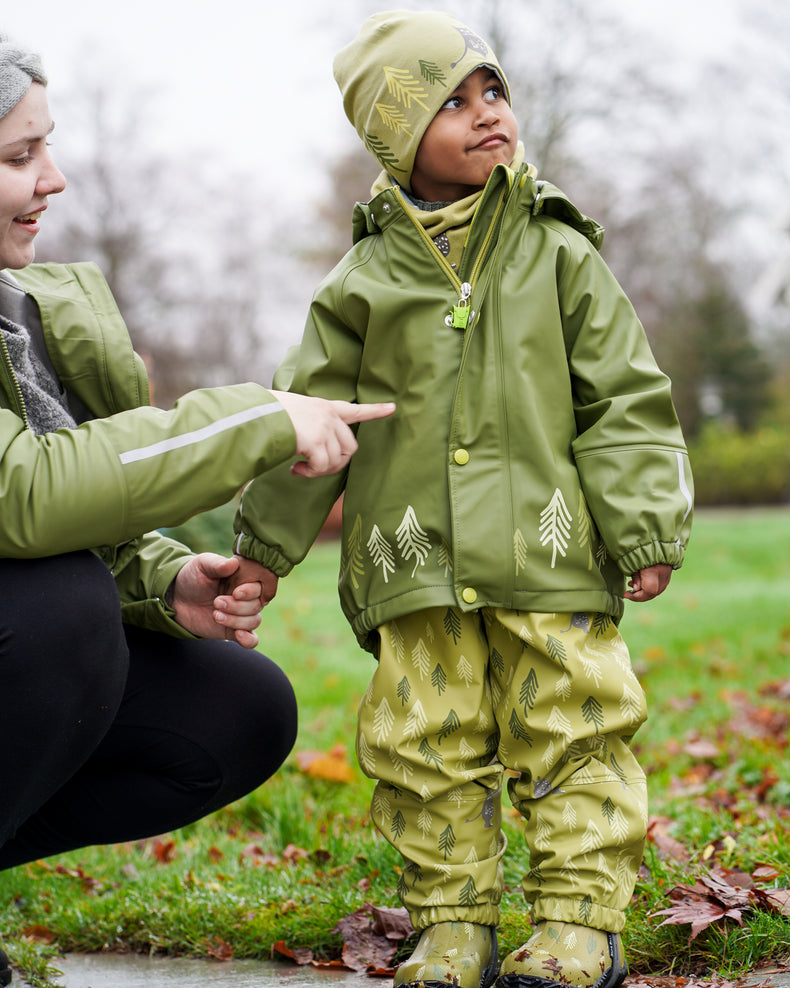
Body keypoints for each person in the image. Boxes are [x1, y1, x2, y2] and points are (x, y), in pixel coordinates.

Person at [229, 11, 694, 988]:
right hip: (414, 564)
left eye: (494, 91)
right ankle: (452, 925)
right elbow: (304, 425)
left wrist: (643, 524)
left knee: (573, 727)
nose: (487, 115)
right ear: (397, 135)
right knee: (423, 745)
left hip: (548, 557)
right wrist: (261, 554)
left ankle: (576, 920)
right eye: (452, 100)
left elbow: (624, 396)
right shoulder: (361, 282)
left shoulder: (559, 251)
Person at [0, 37, 395, 988]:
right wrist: (262, 416)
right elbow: (24, 498)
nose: (53, 180)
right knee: (61, 613)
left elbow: (75, 521)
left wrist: (164, 582)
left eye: (47, 148)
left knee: (235, 709)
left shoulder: (25, 312)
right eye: (18, 157)